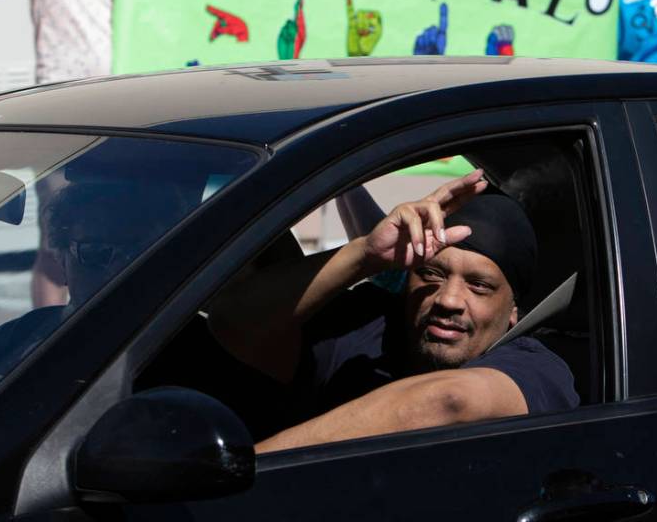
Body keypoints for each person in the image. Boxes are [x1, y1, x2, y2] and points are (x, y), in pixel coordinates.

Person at [211, 170, 579, 454]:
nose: (449, 300)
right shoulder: (371, 326)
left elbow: (448, 401)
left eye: (478, 285)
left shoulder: (534, 367)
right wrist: (365, 256)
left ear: (513, 311)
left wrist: (252, 469)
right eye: (432, 274)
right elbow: (231, 321)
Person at [7, 0, 159, 307]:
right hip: (60, 113)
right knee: (58, 249)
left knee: (136, 239)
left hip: (127, 114)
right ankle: (47, 355)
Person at [0, 181, 181, 376]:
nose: (118, 268)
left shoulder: (191, 349)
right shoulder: (0, 347)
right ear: (60, 259)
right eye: (96, 252)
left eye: (138, 252)